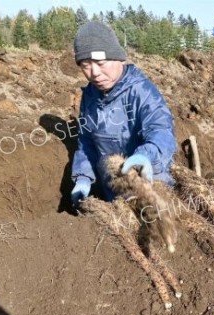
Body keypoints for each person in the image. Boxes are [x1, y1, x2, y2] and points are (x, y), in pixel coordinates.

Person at [70, 21, 177, 208]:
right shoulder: (90, 96)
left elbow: (161, 129)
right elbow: (86, 142)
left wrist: (146, 156)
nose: (94, 73)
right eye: (86, 65)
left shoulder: (141, 91)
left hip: (150, 184)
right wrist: (83, 177)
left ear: (118, 59)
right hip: (113, 190)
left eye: (101, 63)